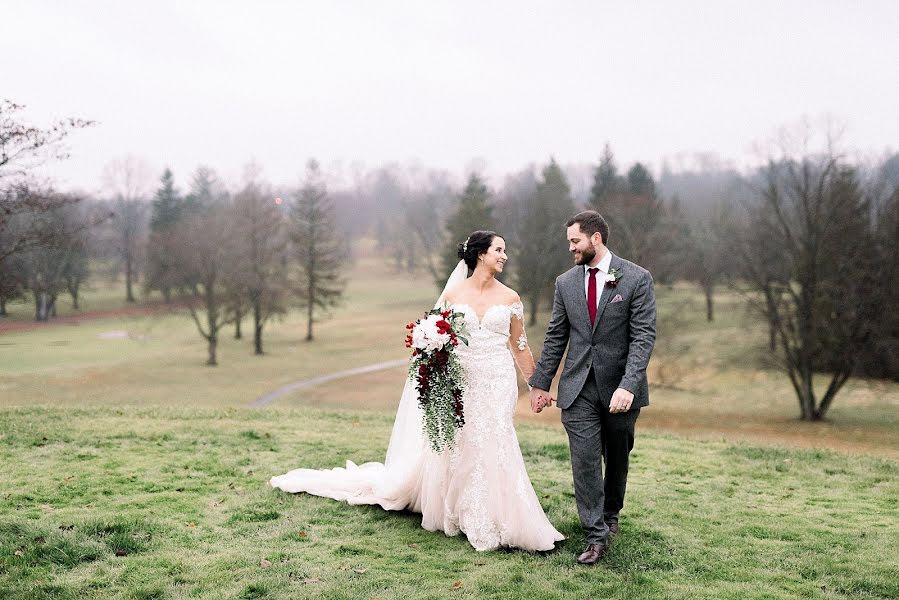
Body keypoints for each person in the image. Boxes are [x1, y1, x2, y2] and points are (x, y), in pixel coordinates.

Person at [271, 230, 564, 552]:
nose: (505, 256)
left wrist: (537, 386)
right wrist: (431, 354)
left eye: (504, 250)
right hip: (461, 381)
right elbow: (435, 338)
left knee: (495, 439)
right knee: (462, 443)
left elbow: (520, 347)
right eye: (499, 250)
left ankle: (501, 514)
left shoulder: (511, 298)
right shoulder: (453, 295)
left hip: (497, 380)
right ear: (481, 254)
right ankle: (460, 509)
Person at [528, 210, 656, 565]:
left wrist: (629, 385)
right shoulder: (565, 283)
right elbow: (556, 336)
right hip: (578, 387)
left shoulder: (636, 278)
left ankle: (611, 514)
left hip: (620, 389)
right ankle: (595, 535)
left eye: (575, 241)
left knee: (617, 457)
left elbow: (643, 336)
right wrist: (541, 383)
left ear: (595, 239)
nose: (570, 248)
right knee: (585, 462)